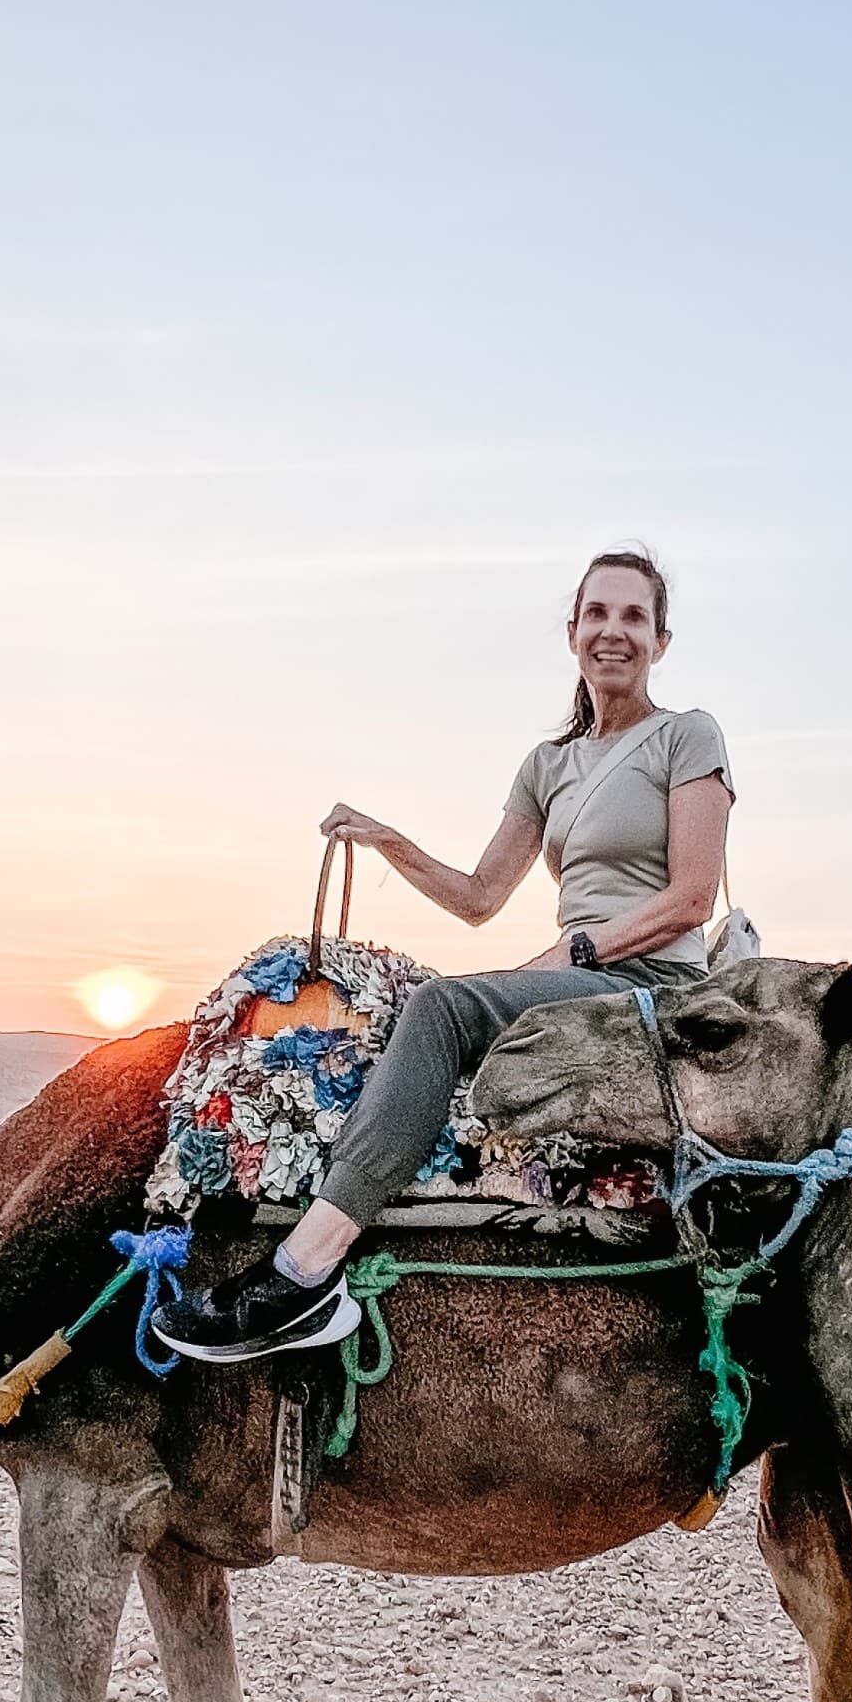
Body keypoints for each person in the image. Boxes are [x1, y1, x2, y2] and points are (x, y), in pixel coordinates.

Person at [152, 543, 733, 1364]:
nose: (614, 631)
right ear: (573, 632)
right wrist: (389, 840)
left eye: (634, 616)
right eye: (597, 614)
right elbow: (479, 897)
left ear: (660, 642)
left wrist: (573, 949)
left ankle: (305, 1271)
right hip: (581, 980)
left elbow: (693, 897)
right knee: (400, 1015)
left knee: (445, 1007)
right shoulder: (548, 766)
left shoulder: (687, 736)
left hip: (653, 984)